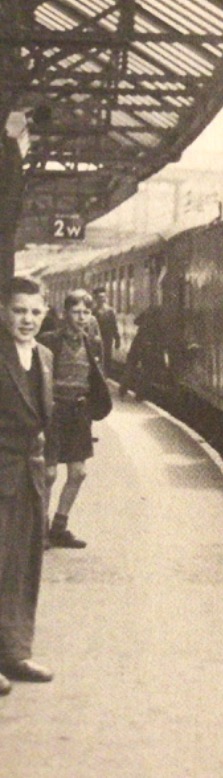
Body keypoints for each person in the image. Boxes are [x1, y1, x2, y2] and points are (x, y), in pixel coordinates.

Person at [0, 276, 54, 694]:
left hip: (29, 477)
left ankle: (15, 654)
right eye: (20, 310)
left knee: (23, 567)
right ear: (4, 312)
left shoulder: (46, 357)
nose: (27, 319)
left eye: (35, 312)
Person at [38, 289, 106, 549]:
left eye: (86, 312)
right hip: (54, 413)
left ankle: (59, 527)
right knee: (49, 474)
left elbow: (97, 377)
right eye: (76, 312)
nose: (82, 317)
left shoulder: (92, 343)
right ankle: (40, 530)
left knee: (78, 473)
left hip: (79, 413)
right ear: (66, 313)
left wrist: (92, 407)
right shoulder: (48, 341)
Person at [91, 286, 119, 379]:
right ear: (96, 299)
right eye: (99, 298)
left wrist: (117, 337)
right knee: (98, 355)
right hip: (97, 336)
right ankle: (99, 373)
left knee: (107, 355)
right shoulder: (93, 311)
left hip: (108, 336)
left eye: (103, 297)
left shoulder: (110, 311)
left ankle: (106, 374)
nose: (102, 299)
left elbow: (114, 324)